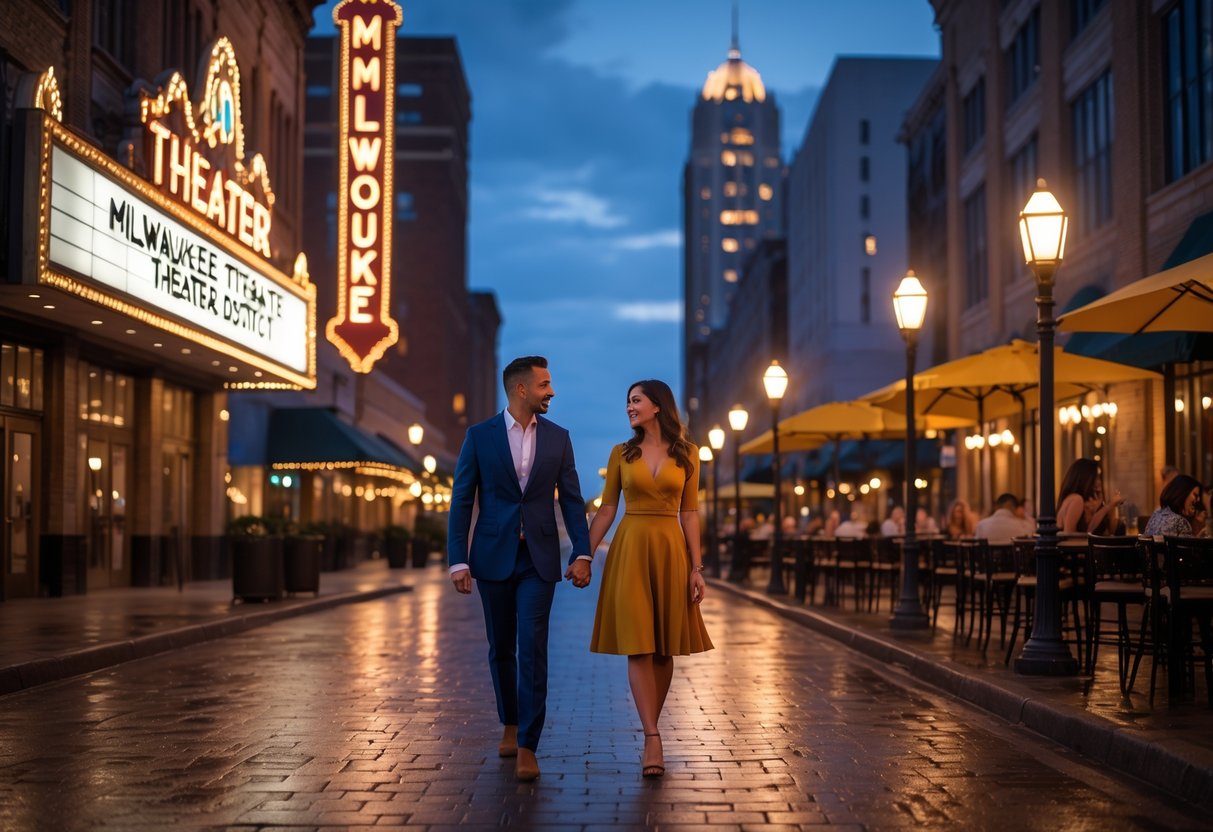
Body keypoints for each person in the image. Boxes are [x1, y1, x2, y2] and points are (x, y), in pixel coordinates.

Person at [447, 356, 591, 782]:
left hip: (538, 560)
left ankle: (529, 742)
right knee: (501, 649)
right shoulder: (480, 437)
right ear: (521, 389)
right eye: (545, 384)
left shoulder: (559, 439)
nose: (552, 391)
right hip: (492, 557)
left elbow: (571, 499)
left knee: (532, 648)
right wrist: (458, 557)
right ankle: (509, 721)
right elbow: (461, 500)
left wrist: (581, 551)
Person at [577, 379, 712, 778]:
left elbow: (689, 513)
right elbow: (606, 509)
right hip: (631, 548)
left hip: (671, 550)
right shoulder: (621, 453)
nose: (629, 408)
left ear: (657, 406)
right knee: (639, 643)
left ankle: (652, 725)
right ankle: (652, 736)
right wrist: (583, 554)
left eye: (636, 401)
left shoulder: (689, 454)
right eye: (628, 402)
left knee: (665, 647)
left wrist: (697, 567)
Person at [1057, 457, 1124, 535]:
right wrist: (1108, 506)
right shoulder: (1076, 499)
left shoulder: (1082, 500)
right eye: (1096, 477)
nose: (1099, 482)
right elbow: (1070, 537)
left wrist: (1104, 508)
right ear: (1086, 478)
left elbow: (1092, 532)